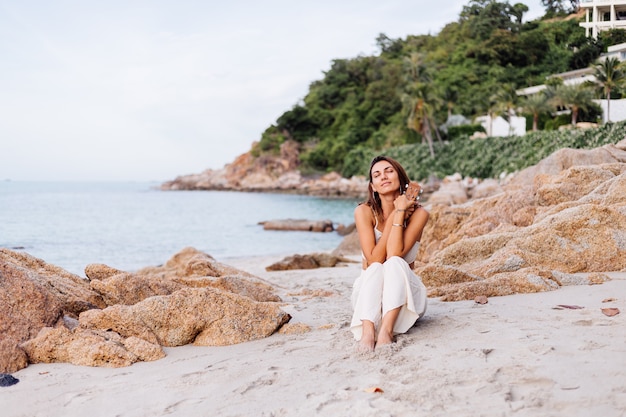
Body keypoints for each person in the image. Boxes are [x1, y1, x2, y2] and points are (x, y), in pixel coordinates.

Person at [350, 155, 429, 352]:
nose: (383, 177)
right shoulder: (363, 212)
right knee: (376, 267)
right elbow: (375, 258)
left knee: (393, 263)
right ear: (373, 186)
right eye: (377, 175)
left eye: (389, 171)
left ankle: (386, 332)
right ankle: (368, 333)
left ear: (400, 178)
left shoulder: (419, 214)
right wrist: (397, 211)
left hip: (405, 302)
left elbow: (394, 253)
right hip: (368, 303)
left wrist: (400, 213)